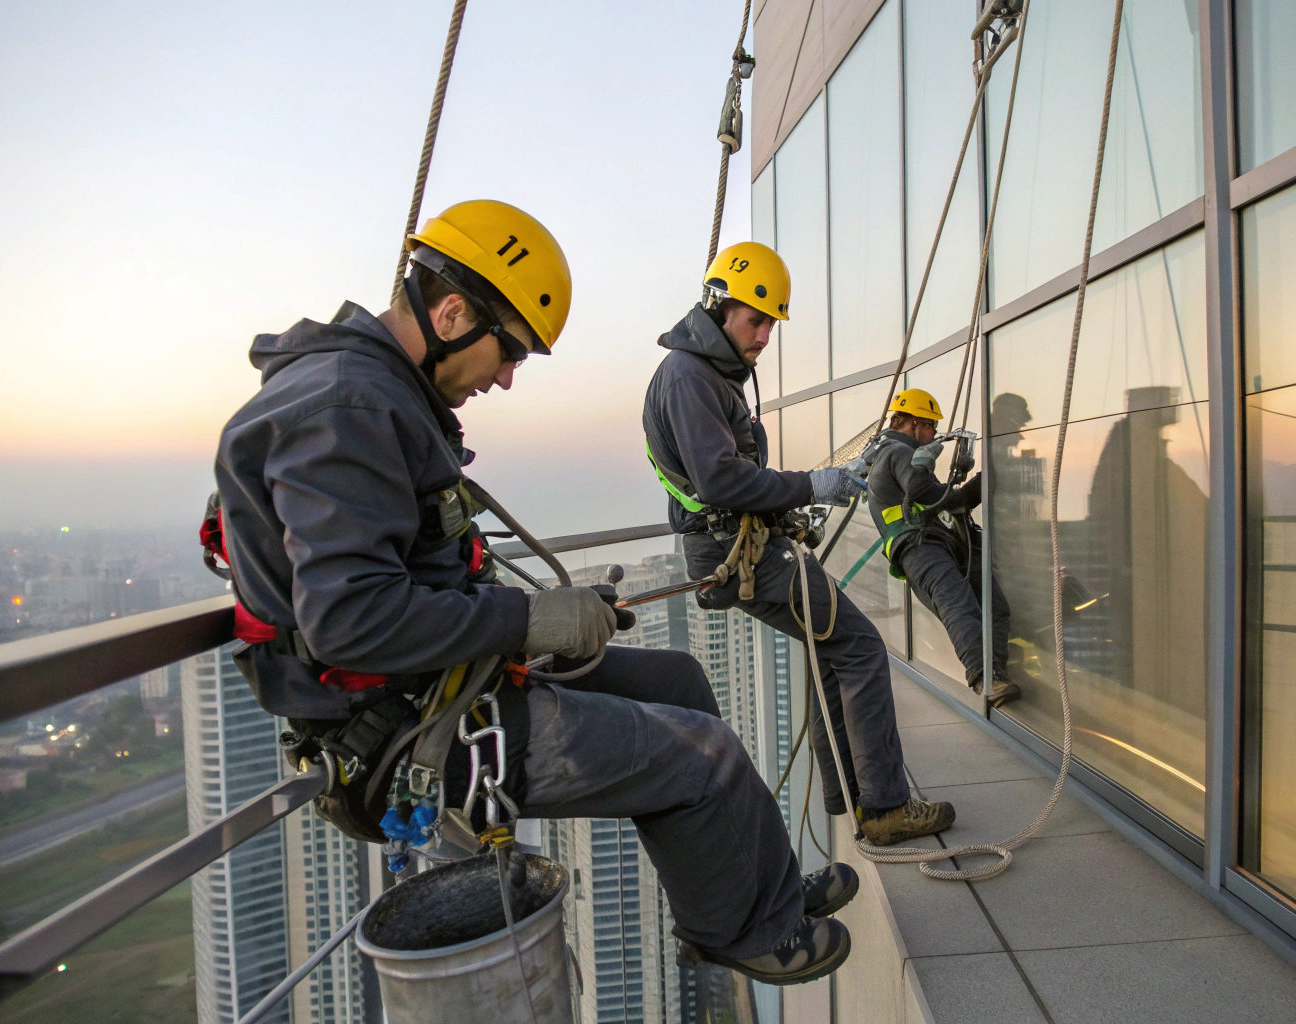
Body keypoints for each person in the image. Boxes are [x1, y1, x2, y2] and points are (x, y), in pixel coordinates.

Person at [211, 202, 857, 985]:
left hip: (445, 679)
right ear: (452, 312)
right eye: (509, 349)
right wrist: (532, 618)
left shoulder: (373, 393)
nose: (508, 377)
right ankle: (739, 930)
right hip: (405, 729)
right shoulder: (347, 407)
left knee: (680, 684)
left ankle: (771, 895)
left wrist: (541, 620)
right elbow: (351, 619)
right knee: (702, 756)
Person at [642, 241, 956, 846]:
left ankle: (853, 796)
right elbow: (719, 478)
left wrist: (797, 498)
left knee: (830, 646)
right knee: (858, 645)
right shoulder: (689, 376)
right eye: (756, 320)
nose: (764, 335)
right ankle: (885, 806)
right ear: (719, 306)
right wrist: (814, 483)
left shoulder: (707, 373)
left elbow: (726, 474)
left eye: (770, 324)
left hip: (741, 546)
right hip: (735, 553)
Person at [865, 388, 1020, 707]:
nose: (934, 434)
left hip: (934, 545)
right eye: (931, 426)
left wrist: (980, 483)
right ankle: (985, 677)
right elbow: (924, 493)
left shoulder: (899, 455)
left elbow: (942, 499)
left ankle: (995, 675)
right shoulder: (898, 452)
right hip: (920, 547)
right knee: (959, 604)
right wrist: (933, 469)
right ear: (911, 423)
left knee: (995, 608)